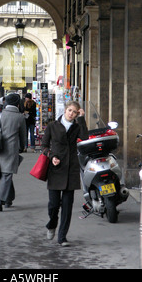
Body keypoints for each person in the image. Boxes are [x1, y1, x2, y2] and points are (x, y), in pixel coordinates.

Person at [41, 100, 88, 247]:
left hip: (71, 169)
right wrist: (51, 156)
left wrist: (81, 119)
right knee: (53, 205)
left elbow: (85, 137)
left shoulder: (76, 126)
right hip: (56, 168)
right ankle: (52, 224)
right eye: (70, 111)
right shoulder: (52, 126)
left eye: (75, 112)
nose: (72, 114)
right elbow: (44, 145)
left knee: (67, 206)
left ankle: (62, 237)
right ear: (65, 110)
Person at [0, 93, 27, 211]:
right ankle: (0, 200)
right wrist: (22, 147)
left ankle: (9, 199)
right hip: (12, 150)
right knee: (7, 175)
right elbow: (23, 136)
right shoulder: (20, 117)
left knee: (6, 175)